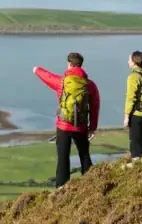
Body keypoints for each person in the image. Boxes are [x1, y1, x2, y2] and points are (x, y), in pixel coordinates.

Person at [33, 52, 100, 188]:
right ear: (81, 65)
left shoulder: (62, 82)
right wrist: (92, 127)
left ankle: (61, 188)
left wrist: (36, 70)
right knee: (84, 155)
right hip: (81, 126)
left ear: (69, 64)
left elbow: (48, 77)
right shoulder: (90, 85)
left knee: (63, 158)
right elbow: (95, 106)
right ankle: (91, 184)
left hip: (63, 126)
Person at [124, 50, 142, 158]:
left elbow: (130, 98)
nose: (128, 62)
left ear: (134, 61)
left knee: (135, 141)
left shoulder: (133, 76)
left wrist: (127, 116)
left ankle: (136, 165)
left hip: (137, 113)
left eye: (129, 59)